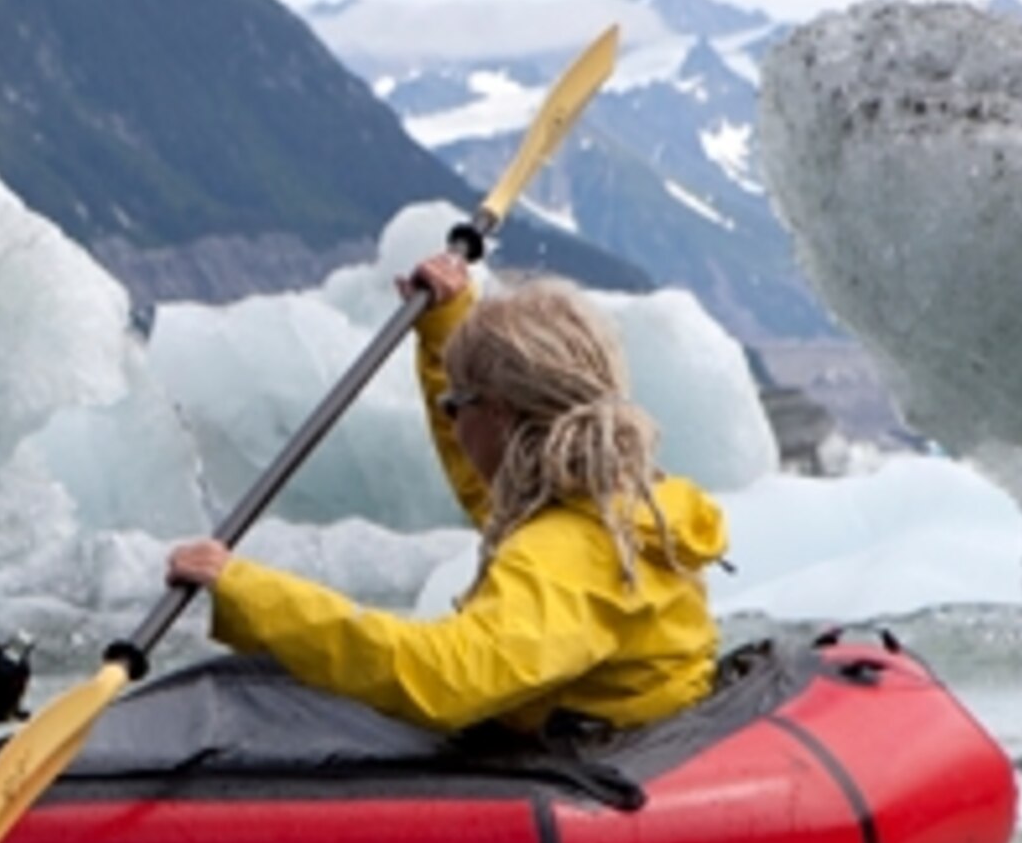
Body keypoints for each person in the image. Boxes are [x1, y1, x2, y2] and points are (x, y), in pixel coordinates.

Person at [165, 248, 727, 737]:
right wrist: (446, 325)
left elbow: (444, 679)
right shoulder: (610, 498)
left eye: (457, 406)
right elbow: (489, 485)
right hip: (641, 732)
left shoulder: (566, 556)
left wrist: (247, 591)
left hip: (606, 771)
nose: (450, 420)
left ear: (503, 415)